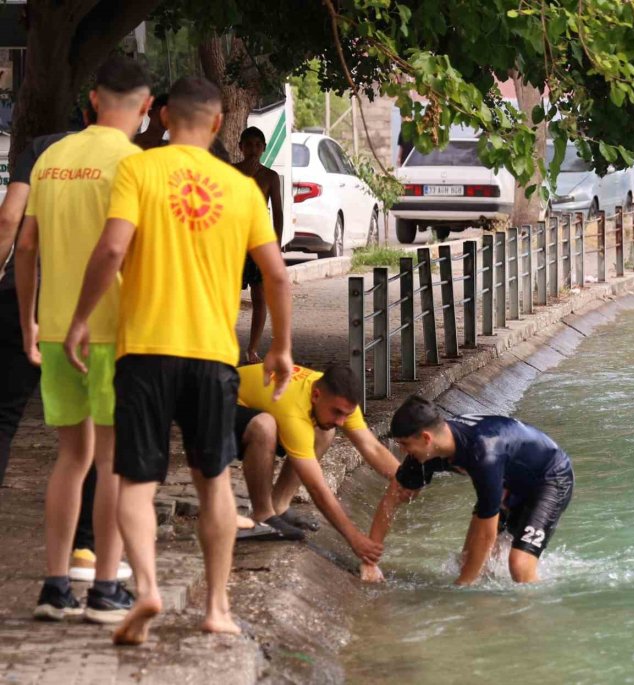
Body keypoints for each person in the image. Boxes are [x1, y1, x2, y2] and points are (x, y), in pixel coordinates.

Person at [63, 75, 292, 646]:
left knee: (135, 480)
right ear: (218, 124)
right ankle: (216, 608)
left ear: (164, 118)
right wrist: (281, 347)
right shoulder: (240, 188)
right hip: (212, 357)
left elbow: (113, 247)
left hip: (144, 351)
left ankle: (144, 587)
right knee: (214, 482)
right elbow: (277, 273)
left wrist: (81, 318)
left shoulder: (138, 170)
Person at [16, 56, 151, 623]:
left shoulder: (51, 158)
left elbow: (25, 248)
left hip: (52, 328)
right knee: (115, 463)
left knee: (71, 458)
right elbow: (131, 251)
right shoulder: (135, 163)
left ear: (94, 99)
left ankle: (53, 586)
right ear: (145, 109)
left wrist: (29, 320)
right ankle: (104, 590)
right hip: (114, 333)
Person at [0, 104, 133, 585]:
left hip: (36, 309)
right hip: (100, 320)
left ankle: (60, 576)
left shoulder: (42, 151)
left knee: (17, 426)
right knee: (103, 447)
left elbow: (13, 225)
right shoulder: (128, 158)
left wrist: (16, 301)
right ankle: (92, 560)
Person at [360, 396, 575, 585]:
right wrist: (370, 562)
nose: (402, 451)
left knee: (518, 566)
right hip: (509, 481)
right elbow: (392, 497)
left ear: (426, 438)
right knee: (469, 560)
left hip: (550, 478)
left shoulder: (483, 454)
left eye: (405, 444)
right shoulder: (427, 453)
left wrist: (462, 587)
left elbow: (486, 534)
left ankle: (534, 618)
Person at [234, 362, 398, 562]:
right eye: (337, 412)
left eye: (346, 414)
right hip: (216, 404)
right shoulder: (294, 411)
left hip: (261, 402)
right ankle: (263, 516)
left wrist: (404, 479)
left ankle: (280, 505)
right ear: (316, 395)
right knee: (264, 426)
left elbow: (372, 447)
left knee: (325, 431)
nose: (341, 421)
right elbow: (316, 487)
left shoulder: (338, 398)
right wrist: (355, 539)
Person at [233, 126, 283, 364]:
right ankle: (223, 343)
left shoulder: (270, 177)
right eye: (248, 145)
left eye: (257, 145)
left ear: (264, 148)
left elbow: (279, 214)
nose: (253, 150)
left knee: (259, 296)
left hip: (259, 242)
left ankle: (252, 349)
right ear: (240, 147)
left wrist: (277, 245)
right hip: (233, 241)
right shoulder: (230, 172)